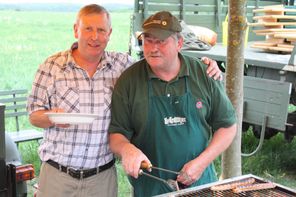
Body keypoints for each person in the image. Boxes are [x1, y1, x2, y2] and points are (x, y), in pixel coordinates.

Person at [27, 4, 222, 197]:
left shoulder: (122, 65)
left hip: (101, 176)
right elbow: (34, 115)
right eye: (88, 29)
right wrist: (53, 117)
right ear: (76, 29)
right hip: (58, 173)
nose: (95, 36)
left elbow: (160, 60)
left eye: (101, 30)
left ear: (109, 33)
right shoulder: (52, 66)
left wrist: (204, 66)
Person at [109, 11, 237, 197]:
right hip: (151, 188)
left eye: (161, 41)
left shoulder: (203, 74)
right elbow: (116, 135)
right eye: (148, 40)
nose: (153, 48)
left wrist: (201, 163)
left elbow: (227, 126)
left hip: (199, 185)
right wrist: (127, 149)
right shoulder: (129, 80)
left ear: (179, 43)